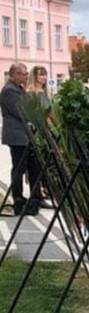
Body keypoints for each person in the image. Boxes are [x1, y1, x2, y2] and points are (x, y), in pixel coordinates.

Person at [1, 63, 42, 216]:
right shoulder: (9, 91)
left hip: (24, 135)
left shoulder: (18, 88)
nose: (26, 76)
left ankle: (33, 198)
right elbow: (21, 111)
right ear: (15, 74)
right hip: (17, 136)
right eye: (24, 74)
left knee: (32, 166)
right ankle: (18, 200)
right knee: (19, 168)